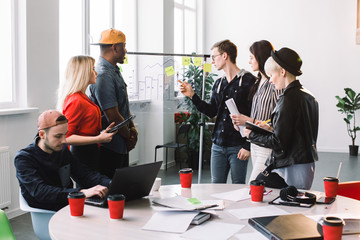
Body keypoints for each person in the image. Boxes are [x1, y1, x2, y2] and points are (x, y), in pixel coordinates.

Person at [179, 40, 256, 184]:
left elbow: (255, 116)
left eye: (214, 57)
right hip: (218, 146)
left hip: (238, 146)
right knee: (216, 187)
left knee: (238, 187)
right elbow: (211, 111)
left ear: (225, 55)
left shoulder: (248, 81)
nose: (212, 61)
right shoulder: (218, 83)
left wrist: (248, 145)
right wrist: (192, 95)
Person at [244, 47, 319, 190]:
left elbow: (279, 143)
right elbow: (297, 131)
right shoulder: (308, 96)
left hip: (290, 167)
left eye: (271, 75)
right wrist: (272, 127)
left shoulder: (287, 99)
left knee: (256, 189)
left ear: (282, 72)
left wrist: (252, 135)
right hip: (306, 165)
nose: (270, 80)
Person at [14, 110, 111, 211]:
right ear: (42, 134)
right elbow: (41, 192)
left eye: (65, 134)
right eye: (58, 136)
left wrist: (110, 184)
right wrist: (82, 193)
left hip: (67, 203)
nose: (64, 140)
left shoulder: (62, 149)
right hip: (47, 210)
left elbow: (84, 174)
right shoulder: (24, 158)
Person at [230, 40, 283, 183]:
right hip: (255, 142)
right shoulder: (258, 81)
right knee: (261, 189)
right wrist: (243, 123)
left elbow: (279, 118)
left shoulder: (274, 83)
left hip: (267, 145)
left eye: (251, 57)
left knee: (254, 186)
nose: (249, 61)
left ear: (261, 57)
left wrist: (248, 121)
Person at [89, 28, 138, 179]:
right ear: (114, 47)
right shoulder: (103, 75)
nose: (125, 50)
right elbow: (113, 115)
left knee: (123, 189)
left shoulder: (114, 71)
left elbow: (123, 107)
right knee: (113, 192)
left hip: (120, 142)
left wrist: (133, 130)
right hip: (110, 147)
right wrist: (128, 136)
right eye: (123, 46)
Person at [57, 55, 116, 172]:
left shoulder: (82, 97)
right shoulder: (76, 100)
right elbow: (66, 137)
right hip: (82, 155)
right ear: (83, 72)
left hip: (90, 152)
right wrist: (98, 138)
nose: (96, 73)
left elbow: (85, 128)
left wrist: (101, 134)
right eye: (93, 69)